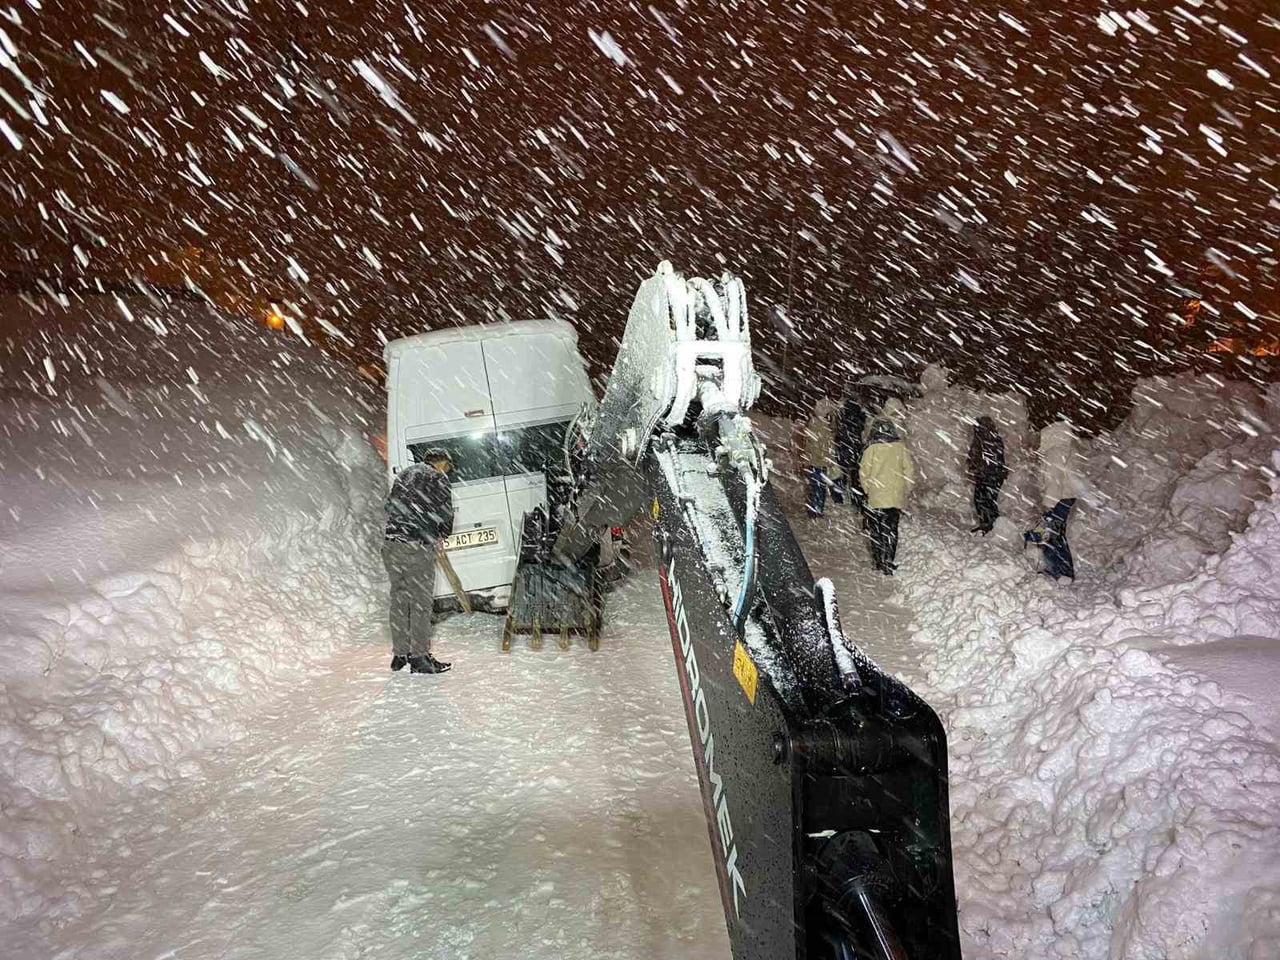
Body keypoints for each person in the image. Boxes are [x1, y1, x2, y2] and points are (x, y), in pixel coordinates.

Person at [383, 450, 456, 673]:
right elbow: (444, 513)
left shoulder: (404, 475)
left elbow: (390, 506)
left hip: (392, 545)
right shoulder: (437, 477)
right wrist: (441, 533)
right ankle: (420, 657)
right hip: (417, 547)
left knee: (399, 600)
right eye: (448, 467)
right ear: (442, 463)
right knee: (420, 604)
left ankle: (400, 654)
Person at [1024, 416, 1086, 580]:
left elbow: (1054, 480)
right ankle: (1062, 569)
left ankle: (1061, 571)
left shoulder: (1055, 451)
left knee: (1052, 534)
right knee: (1055, 533)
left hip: (1058, 499)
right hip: (1066, 497)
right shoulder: (1066, 447)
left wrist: (1048, 506)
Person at [859, 404, 915, 574]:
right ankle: (888, 561)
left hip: (876, 496)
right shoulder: (900, 448)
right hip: (894, 497)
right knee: (891, 530)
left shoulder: (871, 449)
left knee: (876, 530)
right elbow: (909, 471)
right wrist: (906, 488)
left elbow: (863, 472)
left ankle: (877, 560)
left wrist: (867, 488)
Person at [966, 415, 1007, 534]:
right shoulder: (984, 438)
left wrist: (979, 466)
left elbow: (991, 460)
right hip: (987, 475)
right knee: (982, 499)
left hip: (991, 475)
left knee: (986, 500)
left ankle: (991, 525)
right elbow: (975, 454)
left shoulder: (990, 439)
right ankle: (987, 524)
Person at [802, 397, 839, 518]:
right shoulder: (828, 426)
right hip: (823, 460)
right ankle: (818, 508)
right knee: (820, 486)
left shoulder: (813, 423)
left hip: (816, 460)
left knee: (815, 485)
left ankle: (815, 508)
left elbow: (809, 443)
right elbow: (830, 445)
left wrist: (808, 457)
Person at [834, 395, 868, 511]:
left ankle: (839, 497)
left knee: (841, 473)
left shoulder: (842, 415)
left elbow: (838, 432)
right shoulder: (859, 416)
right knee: (855, 477)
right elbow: (863, 429)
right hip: (855, 449)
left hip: (844, 448)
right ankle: (856, 501)